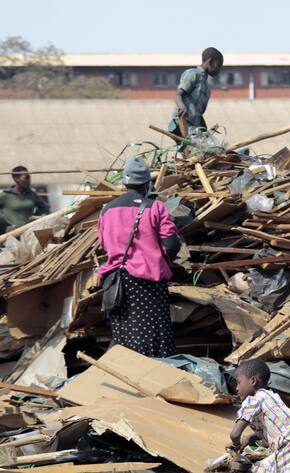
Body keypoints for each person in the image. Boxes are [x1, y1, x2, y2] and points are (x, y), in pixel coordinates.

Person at [97, 157, 181, 357]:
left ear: (125, 183)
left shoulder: (107, 210)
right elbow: (171, 244)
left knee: (124, 337)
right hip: (148, 284)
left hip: (117, 284)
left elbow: (103, 245)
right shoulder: (155, 207)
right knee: (154, 337)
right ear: (147, 183)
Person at [229, 359, 290, 473]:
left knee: (251, 469)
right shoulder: (272, 397)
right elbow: (274, 429)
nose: (236, 388)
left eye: (238, 382)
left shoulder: (253, 399)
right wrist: (251, 438)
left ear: (253, 381)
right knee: (288, 463)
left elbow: (234, 434)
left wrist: (236, 446)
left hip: (287, 444)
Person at [167, 47, 224, 138]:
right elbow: (178, 94)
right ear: (210, 62)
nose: (219, 69)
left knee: (210, 147)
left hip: (194, 128)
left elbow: (198, 113)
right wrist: (182, 107)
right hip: (182, 125)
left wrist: (205, 131)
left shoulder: (206, 86)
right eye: (218, 65)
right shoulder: (193, 74)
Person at [0, 166, 50, 236]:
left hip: (29, 232)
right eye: (26, 177)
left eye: (29, 177)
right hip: (12, 234)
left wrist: (35, 217)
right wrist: (1, 217)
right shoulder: (5, 195)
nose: (29, 180)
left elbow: (44, 207)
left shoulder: (31, 194)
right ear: (16, 179)